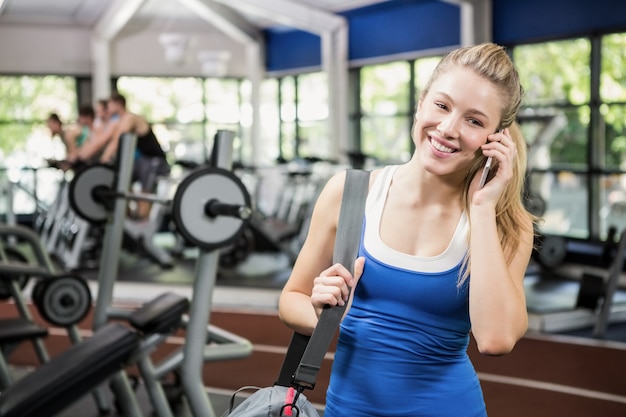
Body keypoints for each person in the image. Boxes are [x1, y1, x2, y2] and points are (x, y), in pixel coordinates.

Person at [278, 42, 536, 417]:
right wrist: (323, 313)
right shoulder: (348, 193)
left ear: (498, 140)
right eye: (442, 105)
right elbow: (291, 299)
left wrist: (481, 209)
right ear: (421, 103)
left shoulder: (505, 224)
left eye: (474, 121)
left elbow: (496, 339)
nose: (448, 129)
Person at [91, 93, 170, 219]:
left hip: (154, 161)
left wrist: (103, 159)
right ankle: (130, 218)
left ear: (118, 104)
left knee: (144, 193)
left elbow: (117, 140)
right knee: (121, 181)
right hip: (141, 161)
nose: (108, 108)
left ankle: (142, 221)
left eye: (110, 105)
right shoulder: (119, 121)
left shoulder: (130, 118)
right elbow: (104, 140)